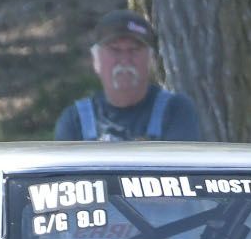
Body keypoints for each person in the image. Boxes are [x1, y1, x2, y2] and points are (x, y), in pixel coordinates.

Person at [54, 10, 203, 143]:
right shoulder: (74, 121)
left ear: (150, 59)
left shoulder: (176, 111)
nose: (125, 59)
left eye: (134, 50)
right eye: (115, 50)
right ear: (96, 60)